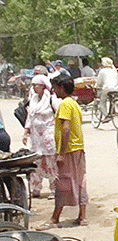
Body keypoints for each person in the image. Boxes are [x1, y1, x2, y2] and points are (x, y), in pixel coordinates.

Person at [36, 74, 88, 230]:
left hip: (70, 150)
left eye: (56, 87)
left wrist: (61, 153)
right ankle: (83, 217)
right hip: (78, 149)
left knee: (63, 184)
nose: (54, 90)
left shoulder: (65, 104)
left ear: (62, 88)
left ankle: (55, 218)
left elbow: (66, 129)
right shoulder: (74, 103)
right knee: (80, 182)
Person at [22, 75, 58, 199]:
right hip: (36, 137)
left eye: (36, 85)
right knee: (36, 163)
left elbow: (58, 115)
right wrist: (26, 132)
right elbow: (30, 116)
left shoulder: (51, 99)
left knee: (51, 163)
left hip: (48, 135)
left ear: (43, 86)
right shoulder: (34, 99)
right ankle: (35, 188)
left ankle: (54, 189)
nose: (34, 88)